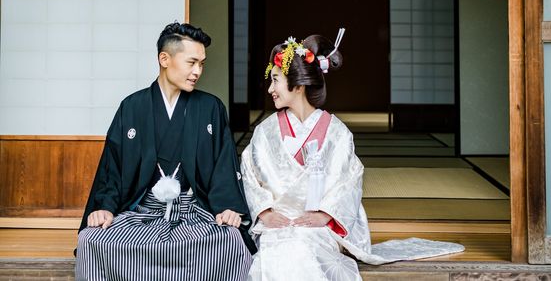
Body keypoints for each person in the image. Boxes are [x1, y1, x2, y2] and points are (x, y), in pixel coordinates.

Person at [241, 30, 463, 280]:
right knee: (277, 252)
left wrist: (326, 215)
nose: (270, 88)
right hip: (275, 224)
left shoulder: (337, 133)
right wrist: (265, 212)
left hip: (319, 225)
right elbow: (249, 175)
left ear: (299, 84)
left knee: (302, 246)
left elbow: (349, 181)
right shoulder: (265, 130)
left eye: (275, 80)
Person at [76, 22, 256, 281]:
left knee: (230, 241)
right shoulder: (132, 107)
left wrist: (228, 207)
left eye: (201, 64)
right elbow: (112, 166)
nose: (197, 71)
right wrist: (104, 207)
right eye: (191, 63)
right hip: (142, 214)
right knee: (91, 239)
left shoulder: (211, 108)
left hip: (193, 214)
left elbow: (223, 166)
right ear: (164, 59)